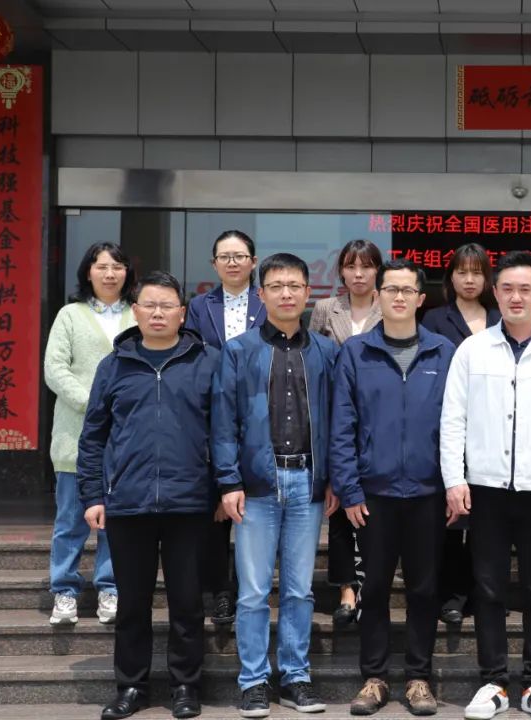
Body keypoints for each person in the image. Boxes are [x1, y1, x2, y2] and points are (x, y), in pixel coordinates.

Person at [441, 251, 531, 720]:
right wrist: (454, 479)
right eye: (507, 288)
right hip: (484, 488)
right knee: (487, 588)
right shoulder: (472, 350)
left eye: (525, 289)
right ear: (496, 293)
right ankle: (493, 682)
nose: (516, 297)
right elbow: (453, 420)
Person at [77, 271, 220, 720]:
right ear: (135, 311)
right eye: (150, 305)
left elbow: (224, 432)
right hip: (128, 502)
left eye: (167, 305)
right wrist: (93, 494)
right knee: (132, 603)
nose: (158, 313)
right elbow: (93, 436)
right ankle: (131, 687)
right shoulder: (113, 365)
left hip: (190, 502)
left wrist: (222, 488)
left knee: (187, 602)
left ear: (183, 312)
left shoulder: (207, 361)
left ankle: (185, 686)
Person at [212, 253, 338, 718]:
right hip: (257, 487)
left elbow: (338, 420)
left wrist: (334, 477)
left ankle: (296, 677)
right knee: (252, 591)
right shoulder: (239, 350)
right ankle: (253, 681)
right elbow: (223, 421)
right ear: (261, 294)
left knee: (300, 590)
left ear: (308, 293)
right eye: (277, 286)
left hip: (307, 481)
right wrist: (229, 481)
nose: (287, 294)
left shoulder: (326, 352)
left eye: (295, 286)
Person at [331, 259, 456, 716]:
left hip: (428, 493)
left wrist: (454, 484)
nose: (399, 297)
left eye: (407, 290)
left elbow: (458, 424)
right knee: (376, 588)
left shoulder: (444, 352)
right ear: (378, 296)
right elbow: (342, 425)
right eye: (391, 290)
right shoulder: (356, 352)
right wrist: (349, 488)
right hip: (374, 494)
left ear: (421, 299)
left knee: (424, 589)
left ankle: (419, 678)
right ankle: (375, 678)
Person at [44, 242, 136, 627]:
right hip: (76, 436)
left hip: (127, 438)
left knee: (116, 521)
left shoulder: (138, 313)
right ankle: (64, 589)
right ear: (88, 272)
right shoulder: (70, 314)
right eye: (101, 266)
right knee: (71, 520)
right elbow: (55, 369)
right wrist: (94, 403)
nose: (110, 274)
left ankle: (109, 587)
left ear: (127, 272)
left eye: (117, 266)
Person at [185, 229, 267, 626]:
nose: (233, 262)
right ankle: (220, 591)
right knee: (216, 509)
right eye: (225, 256)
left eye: (240, 256)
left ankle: (254, 587)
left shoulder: (267, 300)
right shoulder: (199, 305)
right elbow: (193, 350)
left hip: (261, 411)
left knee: (256, 506)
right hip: (212, 410)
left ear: (253, 262)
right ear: (214, 264)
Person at [421, 243, 501, 625]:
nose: (469, 280)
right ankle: (452, 596)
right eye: (462, 272)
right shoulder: (434, 319)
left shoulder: (500, 317)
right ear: (450, 277)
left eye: (477, 272)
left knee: (487, 522)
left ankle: (483, 592)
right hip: (448, 426)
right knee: (451, 519)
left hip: (493, 430)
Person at [310, 238, 384, 628]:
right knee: (338, 507)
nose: (358, 274)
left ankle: (372, 585)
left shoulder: (389, 305)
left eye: (366, 266)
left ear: (377, 271)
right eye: (351, 266)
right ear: (341, 270)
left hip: (375, 419)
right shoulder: (326, 308)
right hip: (334, 415)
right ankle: (346, 590)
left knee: (371, 510)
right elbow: (313, 359)